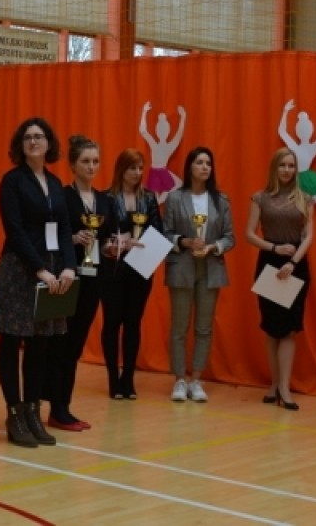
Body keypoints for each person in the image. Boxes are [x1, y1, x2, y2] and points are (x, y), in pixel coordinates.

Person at [0, 117, 77, 448]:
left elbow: (65, 229)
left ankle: (33, 412)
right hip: (19, 270)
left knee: (41, 343)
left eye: (39, 136)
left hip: (53, 270)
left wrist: (69, 267)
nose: (33, 141)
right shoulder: (12, 181)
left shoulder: (55, 183)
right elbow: (14, 230)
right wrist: (40, 268)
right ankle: (14, 414)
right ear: (20, 144)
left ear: (48, 143)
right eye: (27, 137)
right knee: (13, 340)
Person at [45, 134, 114, 431]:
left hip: (94, 277)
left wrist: (110, 247)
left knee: (75, 344)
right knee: (60, 341)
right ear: (73, 165)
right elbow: (50, 235)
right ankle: (56, 407)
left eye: (96, 161)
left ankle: (64, 406)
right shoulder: (62, 196)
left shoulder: (104, 200)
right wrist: (73, 238)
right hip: (67, 276)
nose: (91, 166)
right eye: (86, 161)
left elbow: (106, 237)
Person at [162, 147, 235, 403]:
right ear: (190, 167)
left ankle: (196, 379)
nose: (205, 167)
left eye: (208, 163)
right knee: (179, 327)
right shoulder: (174, 198)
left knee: (204, 328)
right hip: (182, 266)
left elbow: (230, 238)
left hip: (210, 268)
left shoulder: (220, 200)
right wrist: (184, 241)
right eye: (200, 162)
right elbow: (165, 233)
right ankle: (179, 379)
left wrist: (213, 247)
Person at [245, 147, 314, 412]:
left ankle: (285, 387)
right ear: (274, 168)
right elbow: (249, 234)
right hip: (270, 263)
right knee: (272, 328)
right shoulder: (260, 198)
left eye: (291, 165)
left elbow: (308, 235)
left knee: (289, 329)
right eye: (282, 165)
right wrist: (274, 249)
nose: (287, 170)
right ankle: (274, 384)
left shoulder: (305, 198)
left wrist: (293, 261)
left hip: (295, 265)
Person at [100, 148, 163, 400]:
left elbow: (158, 231)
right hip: (113, 269)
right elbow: (101, 234)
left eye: (140, 167)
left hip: (140, 268)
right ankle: (113, 378)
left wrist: (140, 242)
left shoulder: (148, 198)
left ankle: (128, 378)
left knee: (133, 323)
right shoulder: (106, 198)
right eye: (132, 168)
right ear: (121, 169)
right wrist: (115, 244)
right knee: (112, 322)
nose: (137, 173)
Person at [278, 99, 316, 202]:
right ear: (297, 131)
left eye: (307, 129)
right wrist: (285, 111)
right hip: (295, 179)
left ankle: (310, 200)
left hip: (307, 178)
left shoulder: (313, 147)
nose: (304, 131)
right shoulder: (294, 146)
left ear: (311, 130)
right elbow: (282, 131)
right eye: (301, 129)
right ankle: (306, 201)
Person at [139, 101, 186, 203]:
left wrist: (144, 112)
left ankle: (160, 200)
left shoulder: (158, 144)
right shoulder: (164, 145)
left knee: (178, 184)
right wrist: (183, 117)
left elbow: (143, 131)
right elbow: (179, 134)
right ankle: (160, 200)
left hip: (158, 172)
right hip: (158, 172)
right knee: (177, 184)